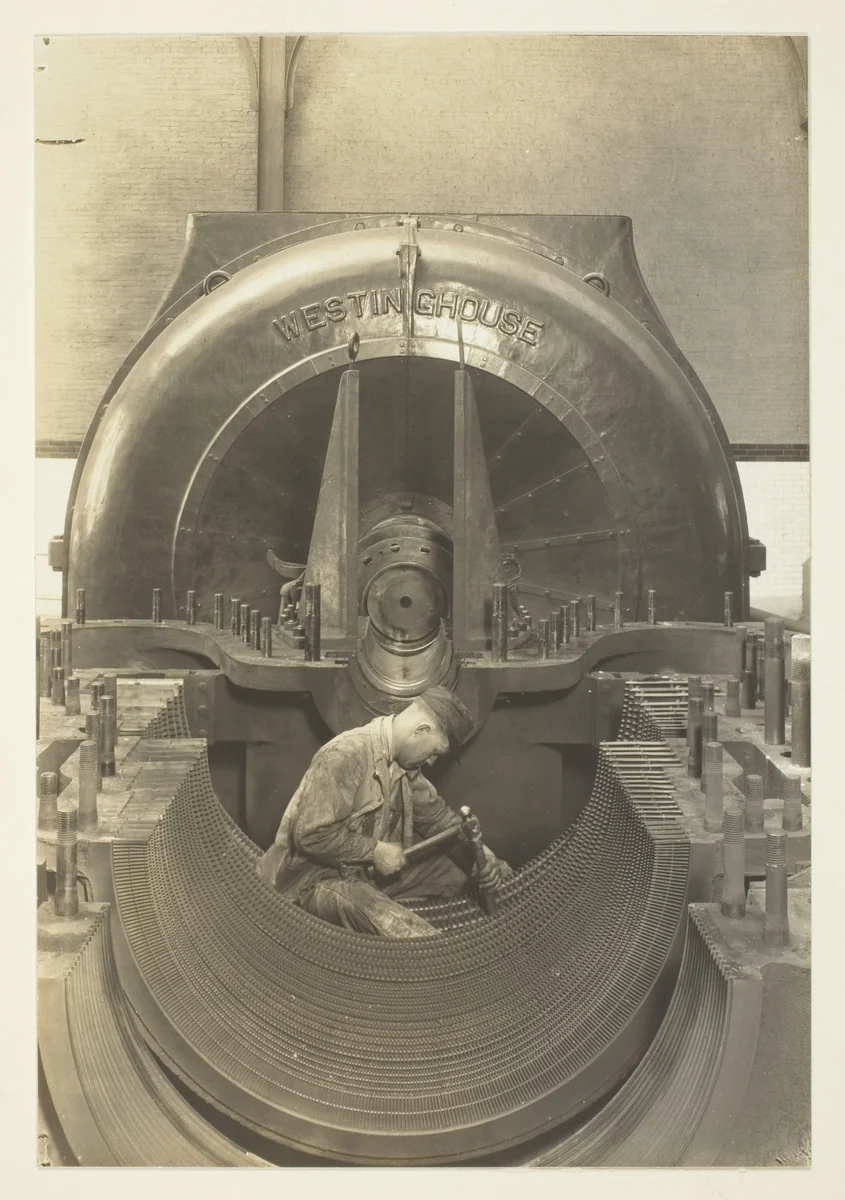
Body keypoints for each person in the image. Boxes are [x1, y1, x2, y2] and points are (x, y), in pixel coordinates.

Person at [256, 686, 513, 937]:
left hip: (366, 877)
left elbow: (438, 819)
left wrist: (482, 858)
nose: (432, 761)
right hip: (314, 884)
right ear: (421, 730)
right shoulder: (345, 754)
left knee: (468, 869)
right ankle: (440, 955)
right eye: (435, 751)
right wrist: (375, 851)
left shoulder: (404, 766)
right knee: (404, 930)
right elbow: (311, 835)